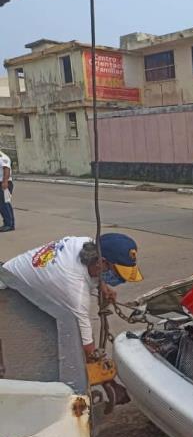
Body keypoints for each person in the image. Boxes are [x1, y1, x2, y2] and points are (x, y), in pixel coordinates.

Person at [2, 233, 143, 359]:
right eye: (117, 273)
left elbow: (95, 271)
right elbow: (86, 343)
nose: (120, 280)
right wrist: (98, 367)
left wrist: (103, 286)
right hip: (7, 287)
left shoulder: (87, 243)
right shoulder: (74, 287)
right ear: (101, 262)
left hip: (9, 271)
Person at [0, 149, 14, 232]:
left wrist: (5, 182)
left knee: (4, 204)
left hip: (5, 183)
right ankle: (10, 224)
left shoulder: (3, 157)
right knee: (6, 204)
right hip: (2, 183)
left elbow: (6, 169)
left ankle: (8, 224)